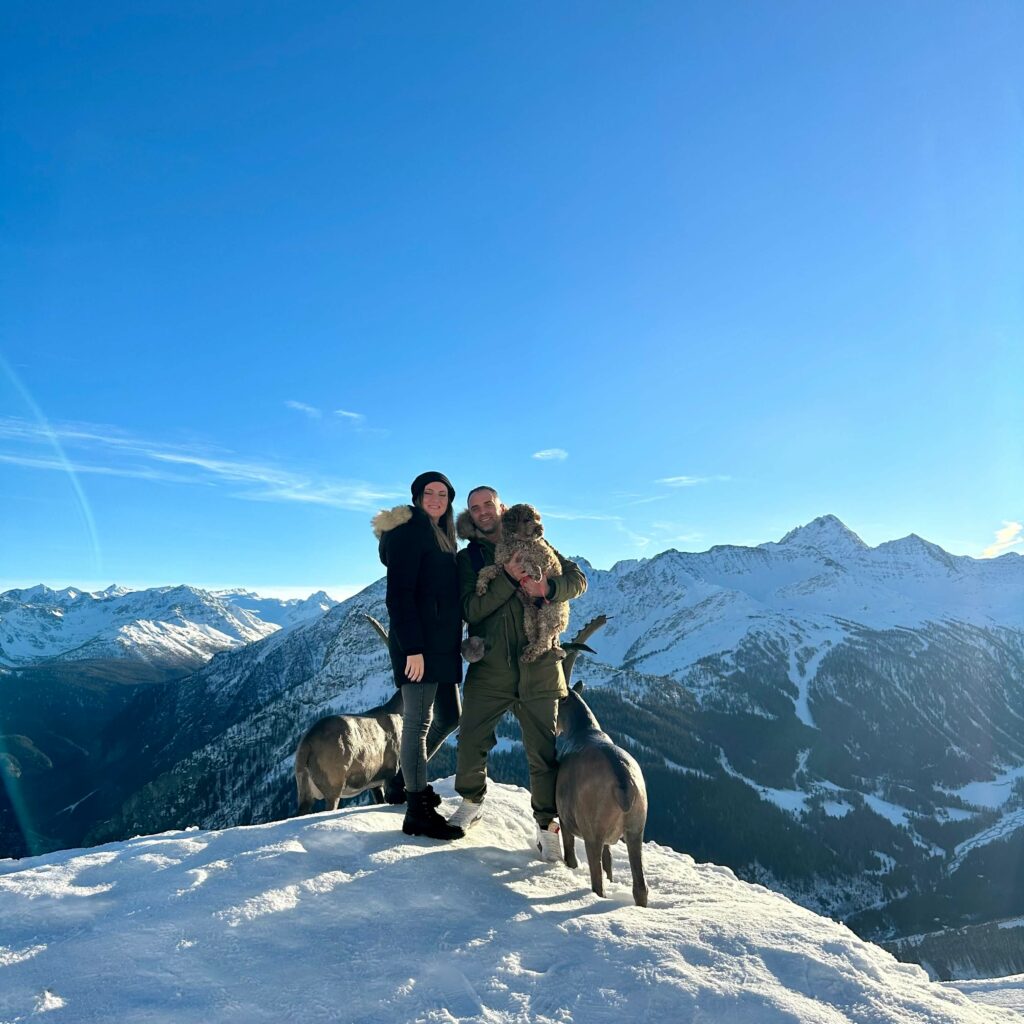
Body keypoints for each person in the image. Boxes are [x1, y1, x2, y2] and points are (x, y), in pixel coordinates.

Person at [447, 485, 587, 860]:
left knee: (542, 753)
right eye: (474, 508)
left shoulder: (534, 540)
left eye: (487, 504)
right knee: (472, 738)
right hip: (490, 667)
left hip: (540, 667)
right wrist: (508, 579)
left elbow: (578, 580)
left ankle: (547, 826)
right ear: (470, 515)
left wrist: (550, 587)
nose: (482, 512)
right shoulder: (469, 558)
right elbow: (470, 611)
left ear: (501, 507)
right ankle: (471, 802)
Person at [372, 471, 464, 841]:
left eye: (443, 493)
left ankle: (402, 781)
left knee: (450, 717)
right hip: (420, 646)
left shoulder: (442, 535)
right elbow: (399, 595)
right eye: (430, 492)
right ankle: (416, 810)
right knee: (418, 723)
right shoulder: (411, 532)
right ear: (417, 496)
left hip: (441, 645)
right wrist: (413, 648)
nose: (437, 498)